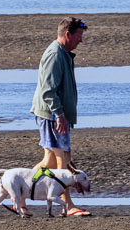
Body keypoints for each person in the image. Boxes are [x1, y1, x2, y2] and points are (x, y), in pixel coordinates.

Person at [31, 16, 89, 217]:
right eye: (79, 36)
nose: (80, 41)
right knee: (60, 161)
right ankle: (68, 205)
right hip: (51, 115)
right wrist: (59, 115)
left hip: (56, 115)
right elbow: (48, 91)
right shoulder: (55, 55)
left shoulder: (64, 53)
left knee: (51, 160)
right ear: (67, 35)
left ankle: (21, 192)